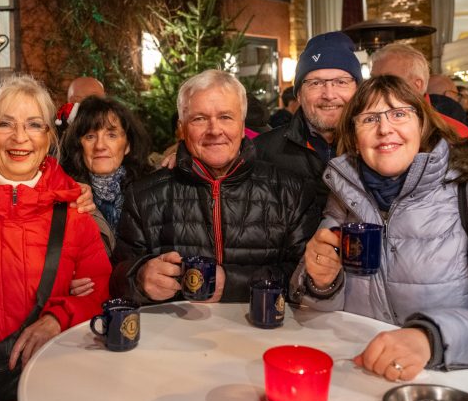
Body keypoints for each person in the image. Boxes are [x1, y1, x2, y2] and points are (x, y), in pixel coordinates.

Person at [289, 75, 468, 401]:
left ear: (422, 123)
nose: (385, 129)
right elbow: (316, 308)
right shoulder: (346, 193)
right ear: (353, 134)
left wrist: (430, 338)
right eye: (370, 119)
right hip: (377, 392)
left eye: (399, 114)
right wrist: (320, 281)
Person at [0, 74, 111, 401]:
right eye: (5, 124)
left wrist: (61, 315)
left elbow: (101, 288)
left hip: (55, 379)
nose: (20, 137)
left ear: (48, 136)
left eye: (34, 125)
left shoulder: (73, 209)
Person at [110, 70, 320, 304]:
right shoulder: (143, 196)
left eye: (226, 117)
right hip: (176, 334)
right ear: (182, 128)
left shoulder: (290, 191)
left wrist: (232, 284)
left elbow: (307, 277)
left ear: (242, 126)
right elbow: (117, 276)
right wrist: (138, 278)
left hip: (263, 331)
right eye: (199, 118)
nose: (214, 130)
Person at [254, 31, 363, 208]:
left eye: (341, 82)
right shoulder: (262, 152)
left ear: (358, 91)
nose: (329, 94)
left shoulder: (376, 148)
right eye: (316, 83)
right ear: (298, 94)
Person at [60, 96, 151, 235]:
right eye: (90, 136)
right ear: (78, 146)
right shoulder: (64, 193)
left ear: (127, 145)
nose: (100, 146)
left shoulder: (151, 189)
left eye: (111, 135)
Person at [369, 44, 468, 139]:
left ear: (417, 85)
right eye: (373, 79)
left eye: (388, 80)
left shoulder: (456, 136)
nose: (375, 87)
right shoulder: (365, 129)